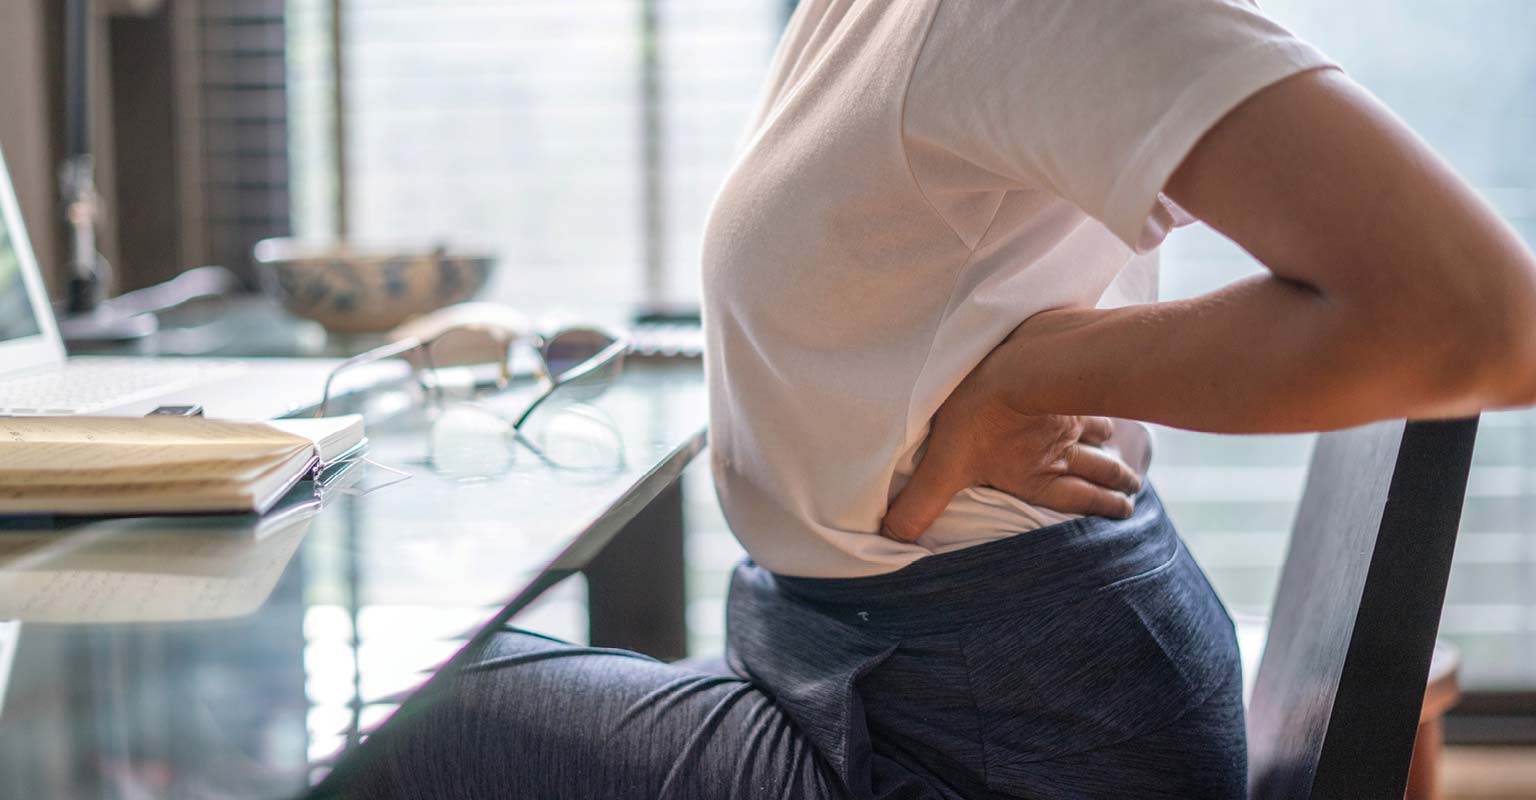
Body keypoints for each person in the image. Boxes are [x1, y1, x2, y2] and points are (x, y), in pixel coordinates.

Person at [319, 1, 1536, 798]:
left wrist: (1034, 375)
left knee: (363, 725)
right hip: (875, 672)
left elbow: (1485, 321)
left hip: (996, 732)